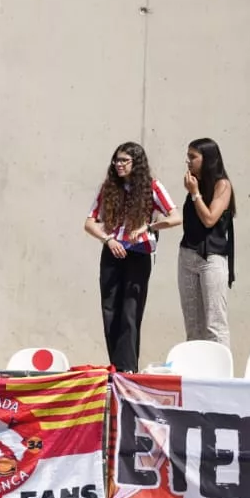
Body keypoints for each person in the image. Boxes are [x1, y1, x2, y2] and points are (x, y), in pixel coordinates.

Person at [83, 142, 181, 372]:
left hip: (138, 253)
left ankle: (128, 368)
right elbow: (89, 223)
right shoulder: (108, 188)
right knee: (110, 309)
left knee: (130, 310)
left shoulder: (152, 187)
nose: (118, 165)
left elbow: (175, 217)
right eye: (116, 160)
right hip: (113, 251)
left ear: (136, 163)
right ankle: (117, 367)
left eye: (124, 160)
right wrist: (108, 240)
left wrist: (149, 226)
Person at [178, 137, 236, 347]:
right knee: (193, 326)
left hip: (212, 258)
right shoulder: (196, 184)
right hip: (187, 256)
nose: (188, 161)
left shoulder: (222, 185)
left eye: (193, 157)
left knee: (215, 324)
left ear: (207, 158)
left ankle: (220, 375)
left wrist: (195, 194)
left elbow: (210, 219)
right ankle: (195, 374)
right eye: (188, 156)